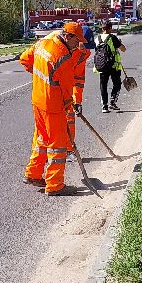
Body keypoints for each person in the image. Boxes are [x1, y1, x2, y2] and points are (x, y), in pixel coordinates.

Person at [19, 21, 84, 195]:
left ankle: (33, 174)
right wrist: (70, 105)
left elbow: (24, 59)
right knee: (58, 145)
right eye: (76, 40)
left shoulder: (43, 43)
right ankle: (55, 185)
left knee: (42, 139)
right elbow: (67, 91)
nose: (77, 45)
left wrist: (42, 79)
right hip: (53, 107)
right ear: (68, 36)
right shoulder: (63, 57)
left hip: (37, 101)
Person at [95, 20, 126, 113]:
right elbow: (123, 49)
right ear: (110, 28)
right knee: (117, 84)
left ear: (102, 28)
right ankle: (112, 102)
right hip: (113, 66)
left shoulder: (97, 38)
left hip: (101, 65)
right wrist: (119, 43)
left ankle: (104, 106)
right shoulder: (112, 37)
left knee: (103, 85)